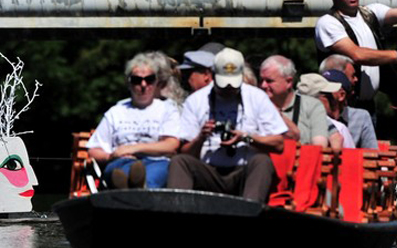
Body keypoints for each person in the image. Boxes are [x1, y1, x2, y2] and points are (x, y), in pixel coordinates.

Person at [167, 47, 287, 202]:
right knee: (179, 162)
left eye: (233, 84)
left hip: (243, 171)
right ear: (212, 74)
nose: (229, 88)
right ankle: (178, 211)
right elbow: (184, 152)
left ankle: (249, 213)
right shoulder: (196, 100)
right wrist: (201, 137)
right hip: (209, 170)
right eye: (224, 84)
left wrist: (246, 138)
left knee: (262, 162)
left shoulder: (257, 97)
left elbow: (279, 144)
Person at [87, 52, 180, 189]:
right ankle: (130, 187)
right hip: (121, 161)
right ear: (129, 83)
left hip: (156, 161)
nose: (143, 84)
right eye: (137, 80)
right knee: (117, 172)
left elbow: (171, 144)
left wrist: (134, 148)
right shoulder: (117, 111)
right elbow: (94, 149)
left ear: (156, 82)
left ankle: (133, 188)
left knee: (153, 175)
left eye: (149, 79)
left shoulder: (167, 108)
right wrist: (110, 156)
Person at [259, 55, 343, 150]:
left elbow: (320, 146)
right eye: (261, 80)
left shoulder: (311, 106)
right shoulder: (256, 105)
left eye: (269, 81)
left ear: (289, 82)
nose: (263, 85)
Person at [296, 73, 355, 149]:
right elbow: (351, 158)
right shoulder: (339, 128)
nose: (333, 100)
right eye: (330, 96)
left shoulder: (282, 121)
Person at [323, 69, 378, 149]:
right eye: (318, 92)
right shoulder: (313, 117)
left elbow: (372, 152)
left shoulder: (360, 117)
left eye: (326, 94)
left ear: (341, 95)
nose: (319, 97)